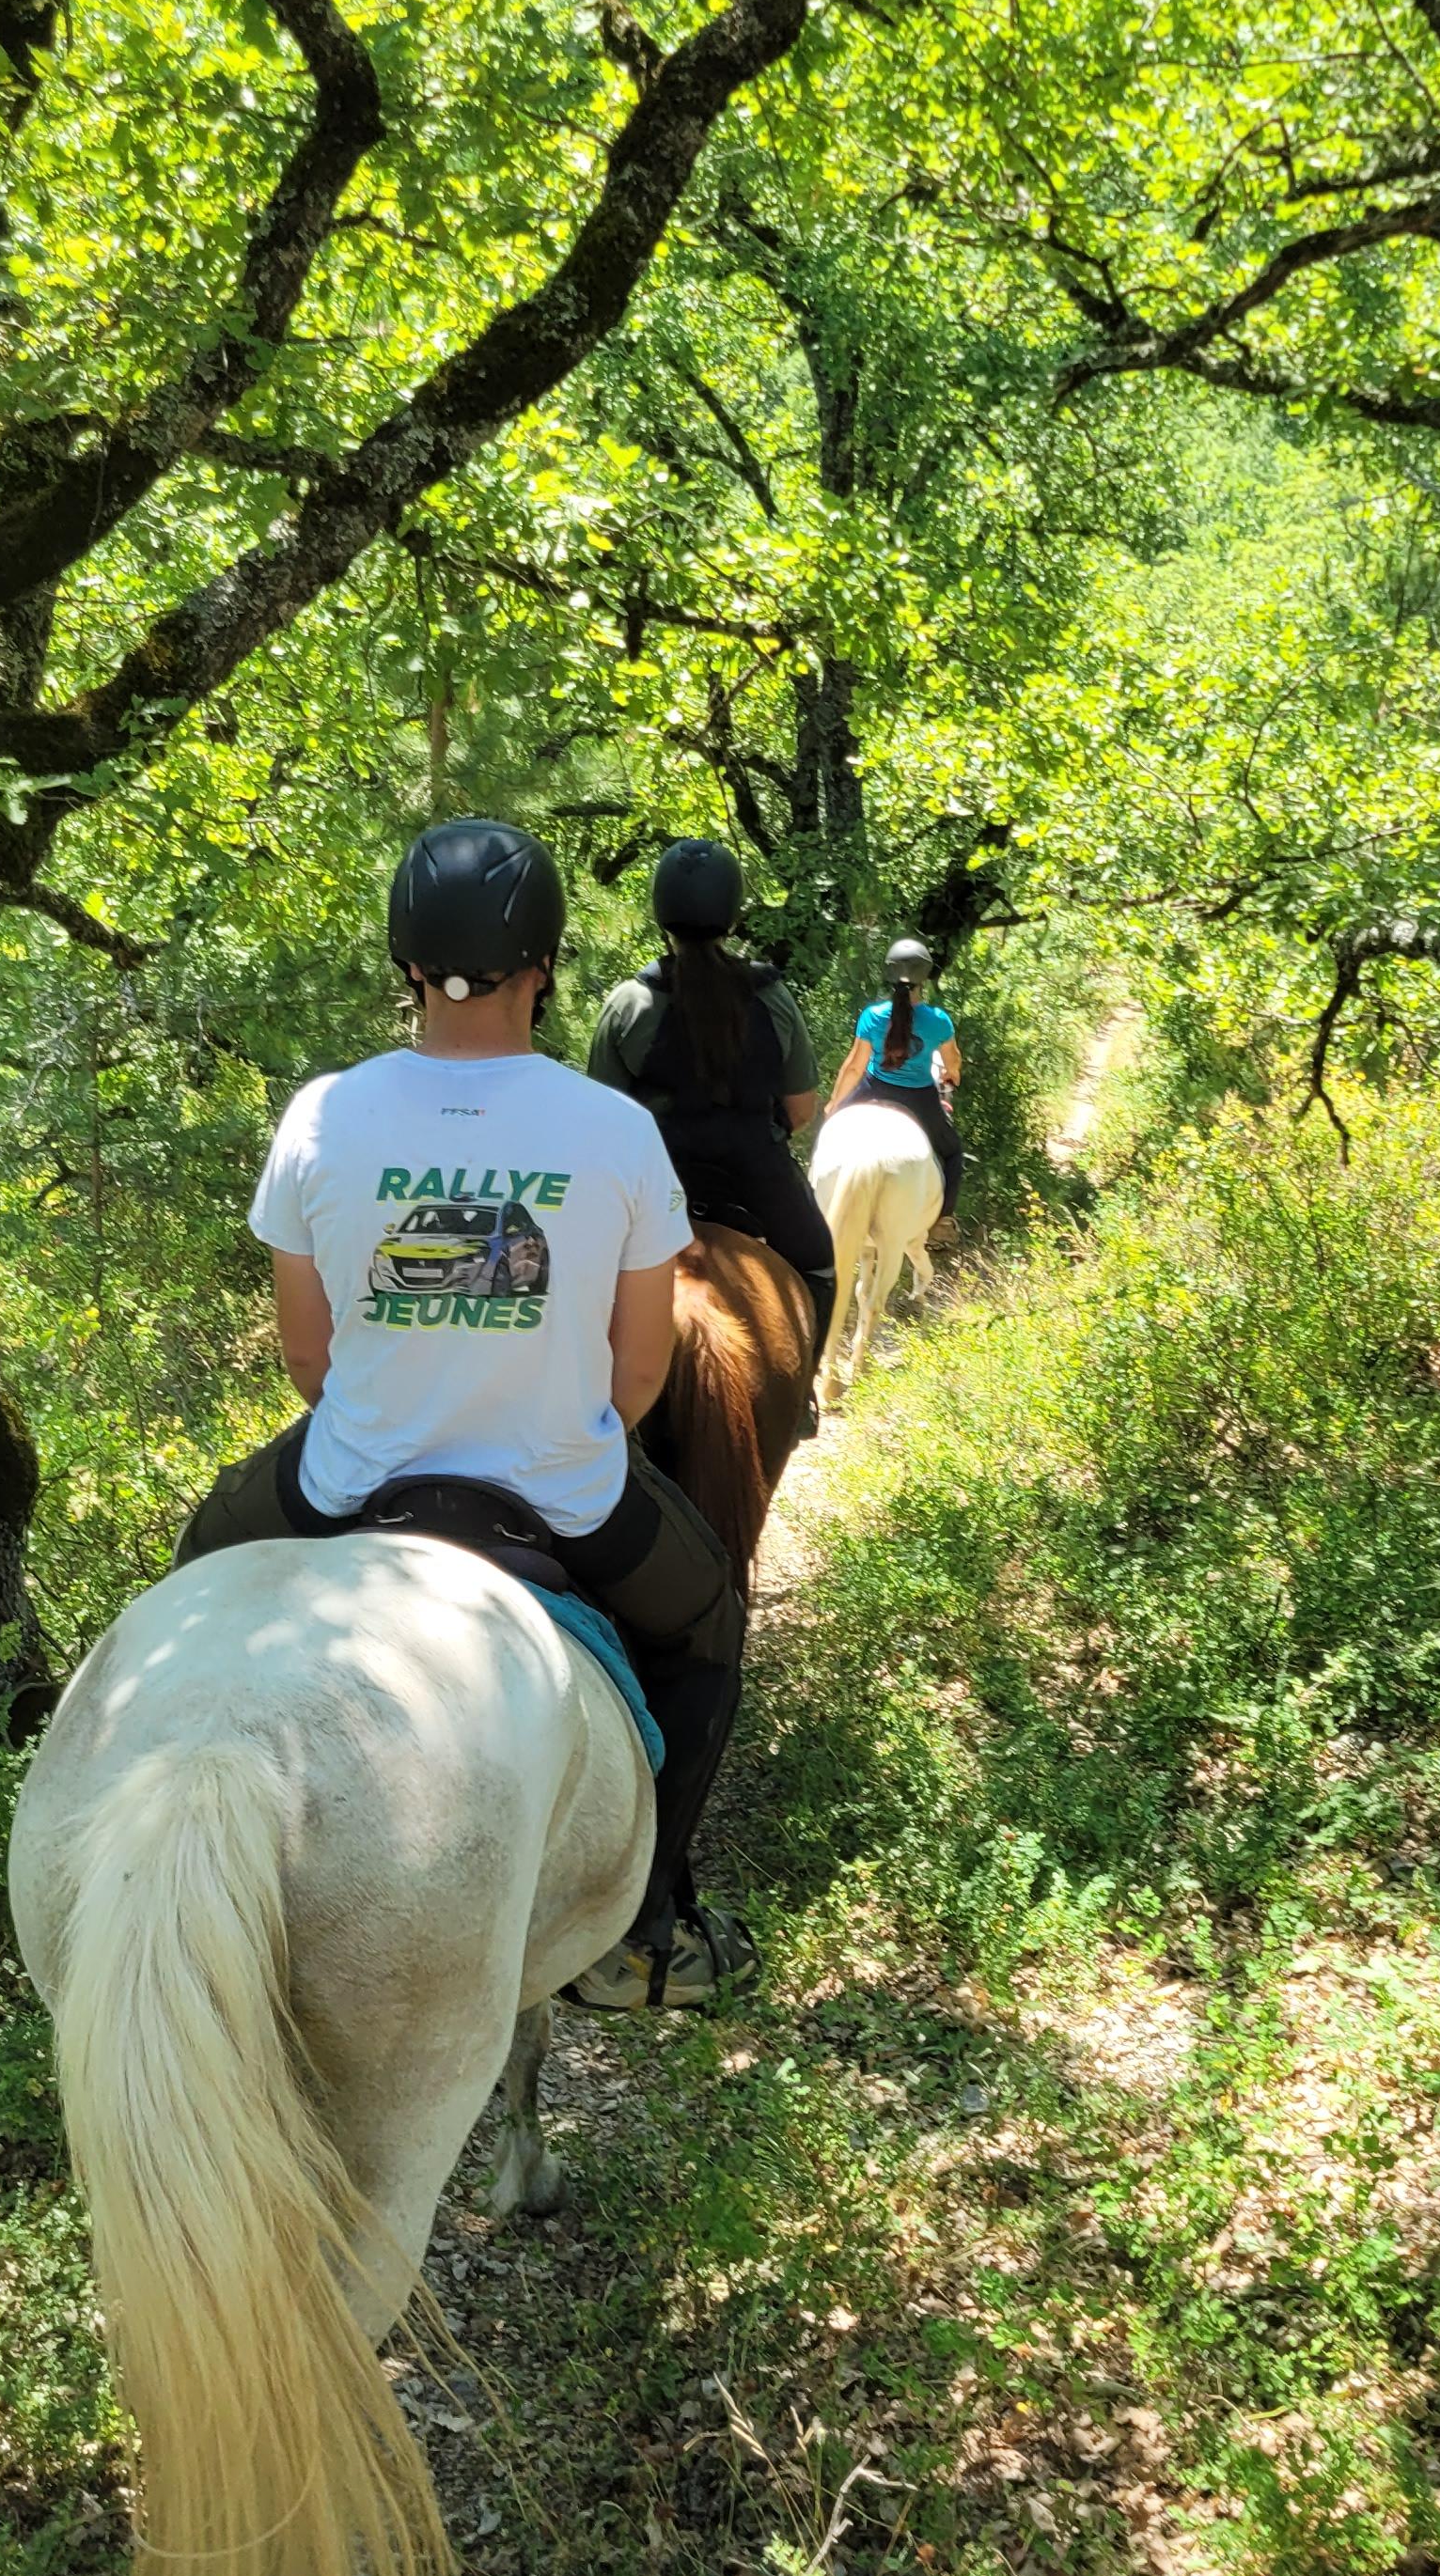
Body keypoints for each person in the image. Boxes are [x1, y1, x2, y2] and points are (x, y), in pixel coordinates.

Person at [174, 816, 746, 2008]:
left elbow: (308, 1355)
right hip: (563, 1491)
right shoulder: (615, 1130)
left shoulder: (322, 1115)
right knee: (706, 1631)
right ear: (544, 966)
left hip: (350, 1479)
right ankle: (641, 1934)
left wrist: (402, 1409)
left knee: (189, 1585)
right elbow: (640, 1371)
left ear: (404, 964)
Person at [585, 838, 837, 1360]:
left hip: (655, 1188)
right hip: (757, 1177)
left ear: (662, 911)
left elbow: (602, 1121)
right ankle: (802, 1399)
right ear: (731, 912)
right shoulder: (771, 996)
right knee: (818, 1267)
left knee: (578, 1274)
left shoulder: (630, 1002)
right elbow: (800, 1109)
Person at [823, 934, 963, 1225]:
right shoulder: (938, 1020)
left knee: (829, 1134)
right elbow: (953, 1061)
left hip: (873, 1089)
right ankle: (944, 1222)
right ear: (925, 976)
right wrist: (952, 1074)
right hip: (920, 1096)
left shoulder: (872, 1016)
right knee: (952, 1153)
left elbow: (853, 1067)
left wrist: (834, 1104)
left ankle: (817, 1202)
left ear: (889, 972)